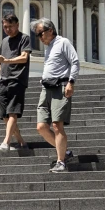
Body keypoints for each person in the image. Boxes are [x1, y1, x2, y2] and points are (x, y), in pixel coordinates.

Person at [34, 18, 80, 173]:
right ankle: (65, 152)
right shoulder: (49, 47)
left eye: (40, 34)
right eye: (37, 35)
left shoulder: (63, 42)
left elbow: (75, 62)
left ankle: (61, 161)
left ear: (50, 30)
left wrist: (71, 82)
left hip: (60, 87)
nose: (39, 38)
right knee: (41, 127)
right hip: (46, 88)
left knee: (56, 125)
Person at [0, 13, 32, 150]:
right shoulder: (5, 41)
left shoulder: (24, 38)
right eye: (5, 27)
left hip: (17, 80)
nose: (7, 29)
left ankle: (6, 142)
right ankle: (21, 142)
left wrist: (5, 60)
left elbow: (24, 58)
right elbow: (1, 63)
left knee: (13, 113)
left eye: (10, 27)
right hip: (4, 81)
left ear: (17, 25)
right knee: (5, 116)